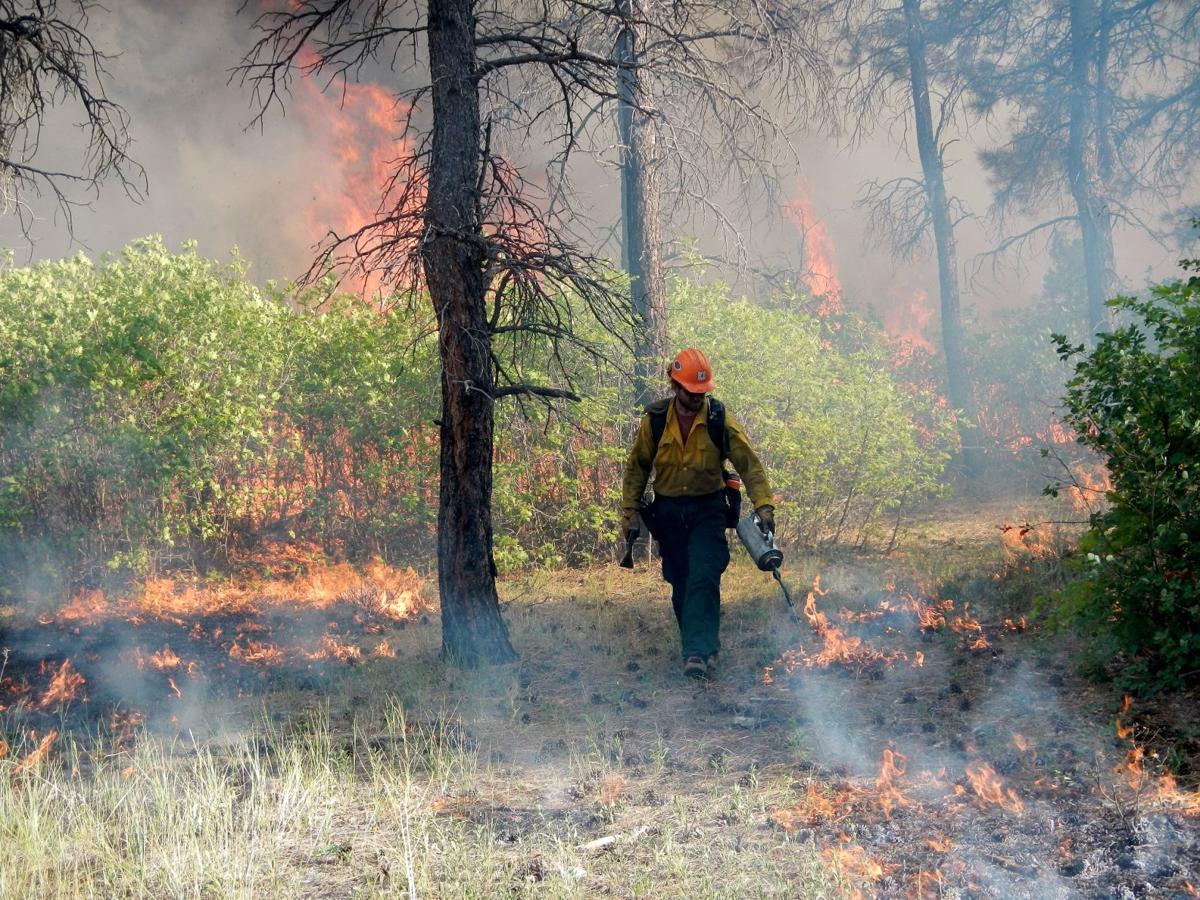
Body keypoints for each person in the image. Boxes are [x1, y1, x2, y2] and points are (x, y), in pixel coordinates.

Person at [620, 348, 775, 680]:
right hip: (669, 513)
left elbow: (749, 465)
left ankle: (697, 653)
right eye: (691, 392)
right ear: (675, 386)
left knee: (704, 573)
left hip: (708, 510)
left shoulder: (719, 419)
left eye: (702, 393)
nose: (697, 399)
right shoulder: (656, 421)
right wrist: (630, 511)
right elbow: (637, 467)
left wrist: (763, 505)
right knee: (680, 580)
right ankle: (703, 646)